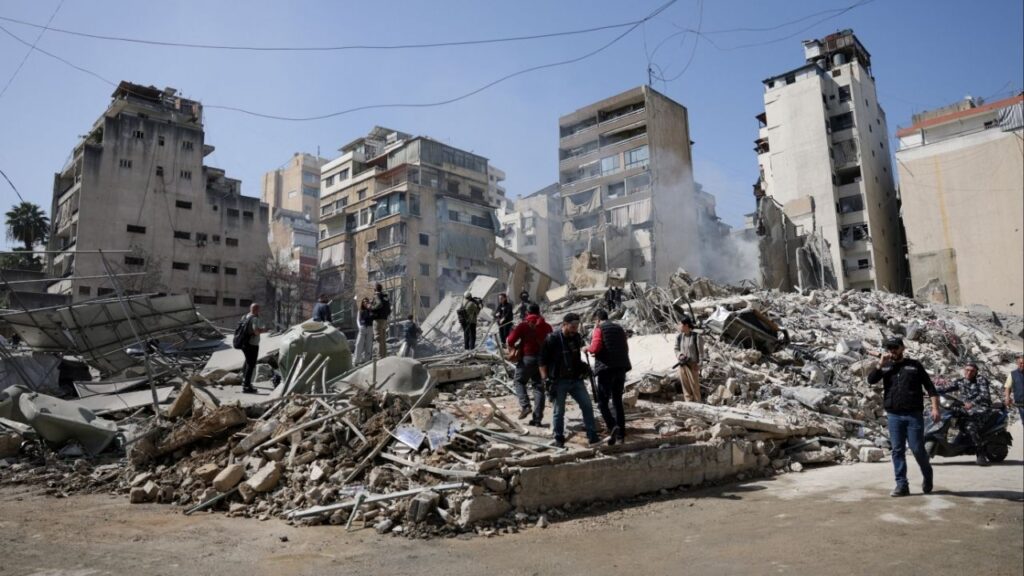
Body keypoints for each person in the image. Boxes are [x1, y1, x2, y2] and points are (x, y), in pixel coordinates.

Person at [868, 337, 941, 496]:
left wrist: (936, 408)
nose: (892, 350)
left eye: (895, 347)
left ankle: (927, 473)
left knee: (916, 448)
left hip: (913, 414)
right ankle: (902, 485)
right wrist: (880, 364)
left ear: (902, 348)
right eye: (889, 348)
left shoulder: (914, 365)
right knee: (897, 450)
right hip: (894, 415)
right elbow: (871, 380)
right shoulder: (886, 367)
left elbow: (930, 388)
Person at [539, 312, 600, 448]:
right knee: (559, 411)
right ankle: (559, 438)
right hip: (558, 381)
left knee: (587, 406)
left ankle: (592, 436)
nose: (575, 329)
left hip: (575, 380)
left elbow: (578, 354)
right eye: (572, 326)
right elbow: (542, 361)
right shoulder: (552, 339)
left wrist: (583, 366)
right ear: (564, 325)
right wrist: (546, 380)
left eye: (577, 326)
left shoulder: (576, 337)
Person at [586, 309, 631, 445]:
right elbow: (625, 347)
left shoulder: (599, 329)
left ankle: (613, 427)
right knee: (617, 401)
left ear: (598, 320)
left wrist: (586, 348)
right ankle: (621, 436)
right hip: (621, 368)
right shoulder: (619, 328)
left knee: (602, 403)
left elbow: (595, 348)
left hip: (606, 369)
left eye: (595, 321)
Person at [938, 362, 994, 465]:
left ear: (976, 372)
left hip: (981, 408)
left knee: (970, 426)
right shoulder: (961, 381)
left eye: (972, 371)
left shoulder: (980, 380)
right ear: (964, 370)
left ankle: (980, 453)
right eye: (967, 370)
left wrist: (972, 403)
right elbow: (945, 388)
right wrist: (930, 392)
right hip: (965, 407)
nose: (969, 372)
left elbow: (984, 395)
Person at [506, 302, 553, 425]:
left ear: (527, 313)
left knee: (519, 381)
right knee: (538, 387)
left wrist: (513, 348)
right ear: (539, 312)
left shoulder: (524, 325)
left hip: (528, 358)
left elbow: (510, 340)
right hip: (543, 361)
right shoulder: (547, 326)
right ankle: (537, 419)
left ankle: (525, 406)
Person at [239, 303, 267, 394]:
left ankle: (244, 381)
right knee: (251, 365)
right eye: (259, 310)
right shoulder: (254, 319)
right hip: (252, 344)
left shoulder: (245, 317)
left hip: (244, 343)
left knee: (247, 362)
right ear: (256, 310)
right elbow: (256, 332)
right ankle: (247, 386)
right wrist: (264, 330)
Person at [675, 317, 703, 403]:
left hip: (693, 365)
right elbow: (676, 349)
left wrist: (700, 364)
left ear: (686, 325)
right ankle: (689, 404)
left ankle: (698, 404)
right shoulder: (679, 337)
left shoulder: (696, 336)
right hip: (682, 365)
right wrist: (680, 355)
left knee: (695, 387)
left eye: (680, 324)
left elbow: (701, 352)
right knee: (685, 387)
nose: (679, 326)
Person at [370, 283, 391, 359]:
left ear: (375, 289)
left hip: (377, 319)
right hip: (384, 319)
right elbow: (389, 309)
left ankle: (379, 357)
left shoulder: (376, 296)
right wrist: (385, 315)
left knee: (378, 339)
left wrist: (372, 308)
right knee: (383, 339)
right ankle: (384, 356)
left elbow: (379, 304)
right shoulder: (385, 297)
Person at [1004, 355, 1024, 424]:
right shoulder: (1013, 374)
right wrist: (1007, 397)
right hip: (1021, 404)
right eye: (1021, 363)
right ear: (1017, 364)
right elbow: (1008, 387)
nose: (1022, 365)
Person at [354, 297, 374, 364]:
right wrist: (359, 327)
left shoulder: (371, 310)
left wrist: (370, 308)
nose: (365, 303)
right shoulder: (360, 310)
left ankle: (367, 360)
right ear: (362, 303)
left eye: (367, 301)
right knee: (359, 344)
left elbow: (373, 318)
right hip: (363, 327)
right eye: (364, 302)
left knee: (368, 345)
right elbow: (358, 319)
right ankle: (356, 360)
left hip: (370, 328)